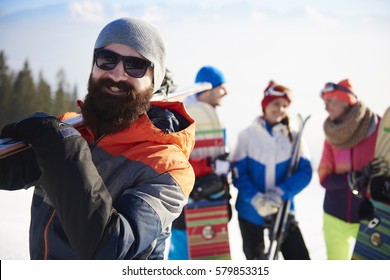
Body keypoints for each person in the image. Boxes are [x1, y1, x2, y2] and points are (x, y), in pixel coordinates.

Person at [0, 17, 196, 260]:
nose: (116, 74)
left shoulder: (168, 168)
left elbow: (110, 249)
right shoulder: (68, 131)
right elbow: (13, 171)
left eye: (135, 65)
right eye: (107, 59)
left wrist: (66, 150)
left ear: (154, 81)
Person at [231, 80, 312, 260]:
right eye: (276, 104)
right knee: (257, 262)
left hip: (283, 210)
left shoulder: (294, 136)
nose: (280, 109)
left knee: (300, 258)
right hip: (250, 212)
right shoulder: (247, 136)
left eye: (284, 105)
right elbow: (238, 174)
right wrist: (256, 199)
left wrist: (279, 193)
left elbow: (305, 172)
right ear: (265, 105)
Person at [168, 66, 231, 260]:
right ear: (208, 89)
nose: (226, 92)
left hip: (213, 198)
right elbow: (177, 161)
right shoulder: (183, 118)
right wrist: (210, 166)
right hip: (189, 202)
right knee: (182, 255)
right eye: (222, 87)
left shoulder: (213, 117)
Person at [318, 78, 385, 260]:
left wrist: (371, 180)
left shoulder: (378, 129)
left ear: (346, 100)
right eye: (324, 102)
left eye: (330, 101)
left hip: (370, 216)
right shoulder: (332, 135)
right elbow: (324, 177)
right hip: (335, 216)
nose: (326, 107)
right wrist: (351, 178)